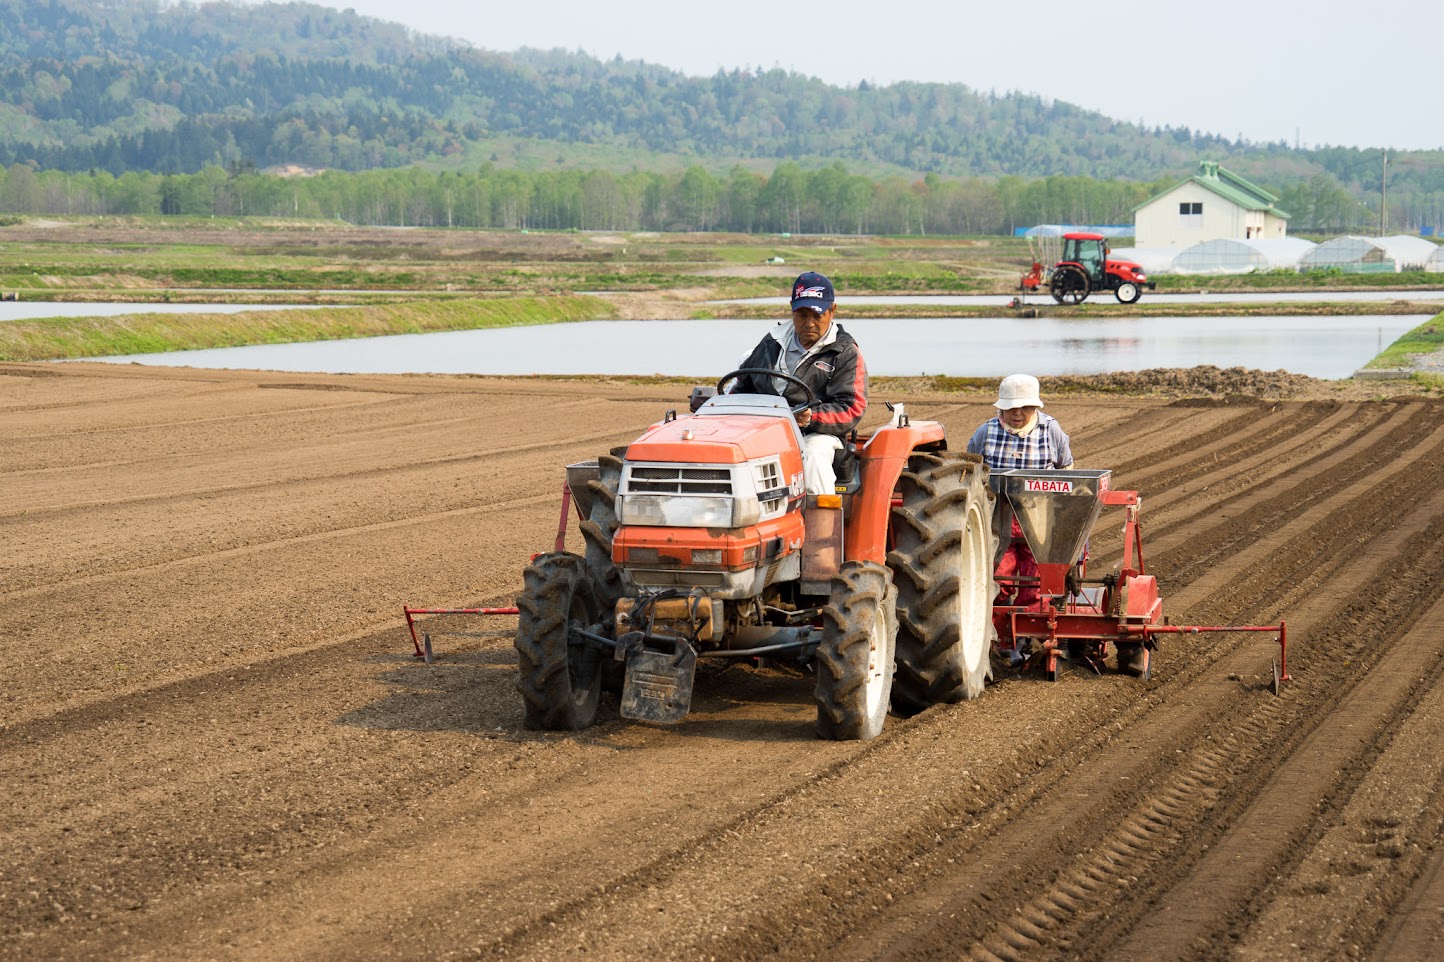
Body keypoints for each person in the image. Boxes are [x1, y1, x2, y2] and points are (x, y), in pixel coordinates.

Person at [966, 374, 1073, 663]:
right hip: (997, 518)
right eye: (1010, 408)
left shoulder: (1050, 430)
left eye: (1023, 408)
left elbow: (1066, 469)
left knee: (1034, 582)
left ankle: (1026, 638)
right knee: (997, 578)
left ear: (1034, 407)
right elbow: (971, 471)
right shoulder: (986, 433)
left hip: (1038, 518)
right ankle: (1001, 640)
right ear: (1000, 408)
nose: (1017, 414)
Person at [729, 271, 867, 494]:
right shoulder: (771, 342)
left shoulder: (844, 352)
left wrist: (811, 417)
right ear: (792, 308)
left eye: (817, 315)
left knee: (812, 455)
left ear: (832, 311)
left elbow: (851, 408)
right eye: (802, 315)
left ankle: (821, 525)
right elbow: (743, 385)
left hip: (820, 434)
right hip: (769, 429)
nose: (809, 323)